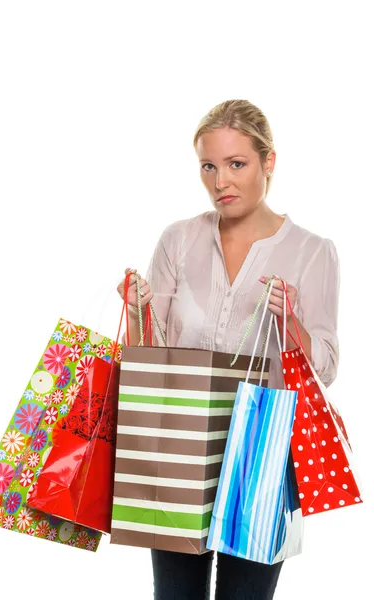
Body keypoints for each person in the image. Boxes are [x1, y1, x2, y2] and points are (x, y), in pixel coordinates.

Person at [117, 99, 340, 600]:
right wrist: (137, 311)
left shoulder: (312, 250)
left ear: (269, 163)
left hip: (262, 449)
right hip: (177, 442)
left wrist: (290, 324)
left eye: (237, 164)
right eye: (209, 166)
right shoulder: (178, 240)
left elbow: (325, 364)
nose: (221, 182)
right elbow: (152, 361)